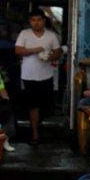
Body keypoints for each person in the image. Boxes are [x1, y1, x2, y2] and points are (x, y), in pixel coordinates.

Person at [14, 9, 61, 146]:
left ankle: (38, 127)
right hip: (29, 77)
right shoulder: (24, 34)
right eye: (33, 20)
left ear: (44, 21)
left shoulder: (51, 36)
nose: (36, 23)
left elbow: (58, 52)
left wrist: (51, 57)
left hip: (46, 76)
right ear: (30, 22)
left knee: (45, 105)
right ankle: (35, 133)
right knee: (33, 105)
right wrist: (36, 50)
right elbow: (17, 50)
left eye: (39, 20)